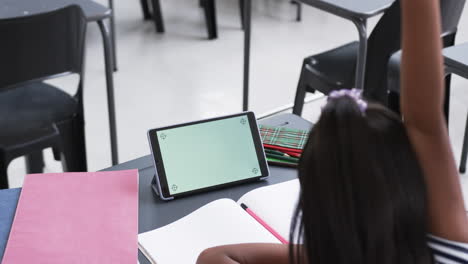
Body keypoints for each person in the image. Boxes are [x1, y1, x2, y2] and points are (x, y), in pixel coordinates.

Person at [196, 0, 468, 263]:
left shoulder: (339, 254)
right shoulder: (447, 238)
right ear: (408, 178)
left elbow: (213, 257)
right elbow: (424, 119)